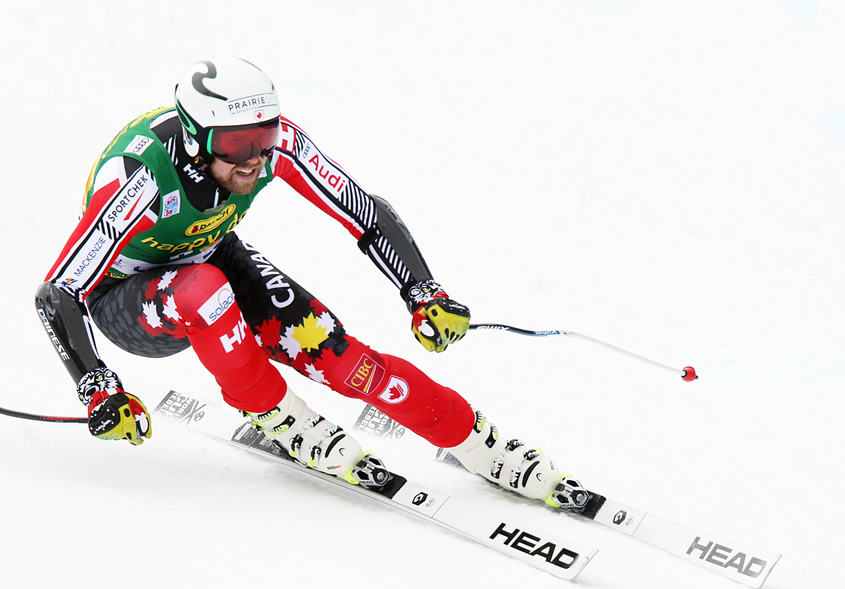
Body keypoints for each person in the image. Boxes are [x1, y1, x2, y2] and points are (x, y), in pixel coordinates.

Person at [35, 56, 588, 510]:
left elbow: (364, 211)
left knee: (339, 357)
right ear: (197, 137)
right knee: (203, 289)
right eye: (236, 144)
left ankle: (475, 439)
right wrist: (99, 388)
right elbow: (58, 292)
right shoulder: (141, 179)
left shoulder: (274, 149)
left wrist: (423, 292)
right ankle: (278, 416)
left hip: (210, 255)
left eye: (265, 135)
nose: (255, 159)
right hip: (126, 300)